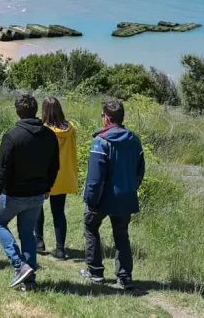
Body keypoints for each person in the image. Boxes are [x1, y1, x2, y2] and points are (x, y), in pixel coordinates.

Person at [0, 93, 60, 288]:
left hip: (13, 195)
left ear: (17, 112)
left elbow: (1, 170)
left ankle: (19, 265)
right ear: (36, 111)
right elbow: (54, 166)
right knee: (28, 233)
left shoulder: (12, 137)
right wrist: (48, 187)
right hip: (37, 195)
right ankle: (29, 280)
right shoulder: (49, 135)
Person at [80, 99, 146, 290]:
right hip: (125, 196)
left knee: (90, 227)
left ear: (107, 118)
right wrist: (131, 188)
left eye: (102, 115)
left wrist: (91, 200)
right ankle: (124, 277)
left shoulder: (100, 142)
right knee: (121, 235)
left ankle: (95, 272)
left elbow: (95, 178)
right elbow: (140, 170)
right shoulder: (134, 140)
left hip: (102, 198)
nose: (102, 118)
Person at [34, 97, 78, 259]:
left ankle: (39, 242)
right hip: (64, 175)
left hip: (45, 175)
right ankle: (60, 249)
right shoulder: (70, 128)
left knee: (38, 207)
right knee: (59, 212)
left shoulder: (43, 130)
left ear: (44, 111)